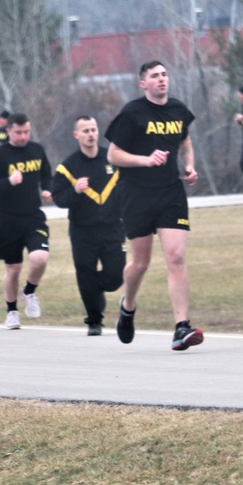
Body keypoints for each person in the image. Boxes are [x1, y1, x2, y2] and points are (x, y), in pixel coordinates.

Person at [106, 60, 204, 351]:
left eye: (164, 74)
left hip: (170, 192)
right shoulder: (132, 113)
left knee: (175, 258)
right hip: (136, 194)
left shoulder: (178, 110)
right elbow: (113, 154)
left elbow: (185, 142)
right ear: (143, 84)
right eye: (154, 76)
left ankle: (181, 327)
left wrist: (189, 167)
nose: (161, 79)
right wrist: (144, 160)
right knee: (140, 263)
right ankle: (128, 305)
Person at [52, 115, 126, 336]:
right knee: (85, 273)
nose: (91, 134)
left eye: (93, 129)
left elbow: (127, 187)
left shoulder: (112, 158)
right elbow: (58, 199)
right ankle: (94, 320)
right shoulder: (67, 167)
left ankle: (95, 290)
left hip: (112, 227)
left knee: (115, 276)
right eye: (85, 131)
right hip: (82, 230)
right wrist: (74, 190)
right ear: (77, 135)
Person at [0, 112, 53, 330]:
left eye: (26, 132)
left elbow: (46, 175)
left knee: (40, 258)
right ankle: (12, 312)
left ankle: (29, 292)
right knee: (13, 269)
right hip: (8, 218)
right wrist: (8, 182)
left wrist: (48, 189)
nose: (23, 136)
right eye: (18, 132)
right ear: (9, 131)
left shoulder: (37, 150)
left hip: (33, 216)